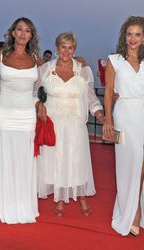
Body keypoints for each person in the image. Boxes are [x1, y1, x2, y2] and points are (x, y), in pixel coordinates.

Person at [36, 32, 104, 217]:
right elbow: (35, 93)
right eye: (63, 47)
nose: (66, 51)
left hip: (75, 123)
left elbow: (90, 96)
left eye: (70, 47)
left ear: (75, 49)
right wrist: (39, 105)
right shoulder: (45, 69)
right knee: (57, 159)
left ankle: (81, 195)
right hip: (53, 123)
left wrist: (99, 112)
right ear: (57, 47)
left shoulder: (83, 70)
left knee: (77, 158)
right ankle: (59, 198)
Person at [103, 16, 144, 236]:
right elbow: (108, 91)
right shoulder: (114, 60)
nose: (133, 39)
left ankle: (135, 210)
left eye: (137, 34)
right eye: (129, 34)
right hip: (123, 115)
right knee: (134, 163)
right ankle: (132, 213)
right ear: (123, 36)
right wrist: (108, 119)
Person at [0, 17, 43, 224]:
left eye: (27, 30)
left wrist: (78, 64)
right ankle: (9, 207)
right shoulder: (0, 56)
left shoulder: (36, 59)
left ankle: (25, 206)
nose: (22, 34)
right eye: (19, 29)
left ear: (31, 35)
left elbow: (44, 85)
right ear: (12, 33)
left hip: (26, 115)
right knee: (7, 159)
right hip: (6, 113)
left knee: (26, 161)